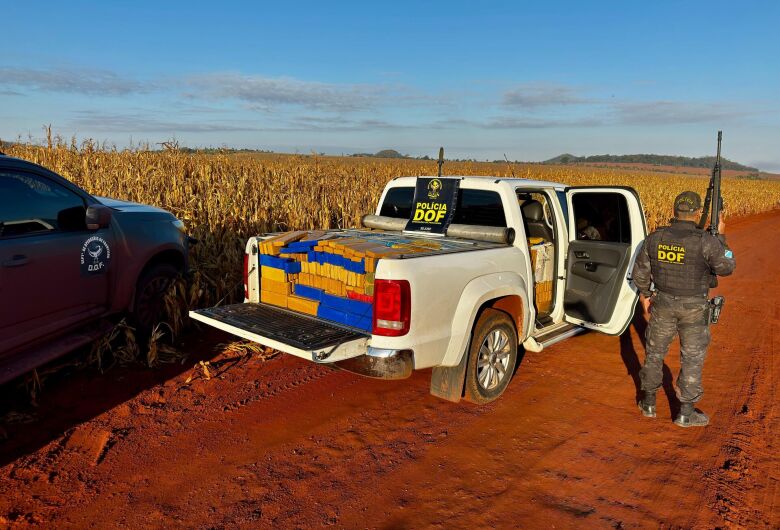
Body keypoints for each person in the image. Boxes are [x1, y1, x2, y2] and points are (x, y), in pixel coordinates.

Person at [631, 191, 735, 427]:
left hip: (663, 304)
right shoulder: (706, 241)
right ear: (698, 213)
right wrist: (721, 237)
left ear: (673, 211)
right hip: (694, 308)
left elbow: (640, 273)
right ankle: (685, 413)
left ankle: (648, 402)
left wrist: (646, 295)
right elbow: (727, 266)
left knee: (654, 354)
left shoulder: (655, 238)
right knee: (692, 358)